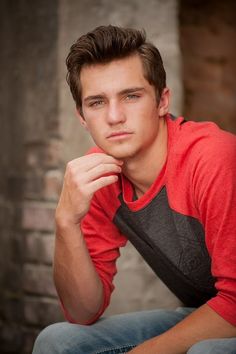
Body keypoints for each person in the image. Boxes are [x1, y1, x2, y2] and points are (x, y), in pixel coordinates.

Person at [32, 25, 236, 354]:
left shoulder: (213, 159)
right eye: (97, 102)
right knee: (58, 340)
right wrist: (66, 221)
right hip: (208, 313)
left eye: (131, 96)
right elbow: (82, 312)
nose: (114, 117)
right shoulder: (97, 175)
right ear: (82, 117)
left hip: (230, 313)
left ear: (161, 100)